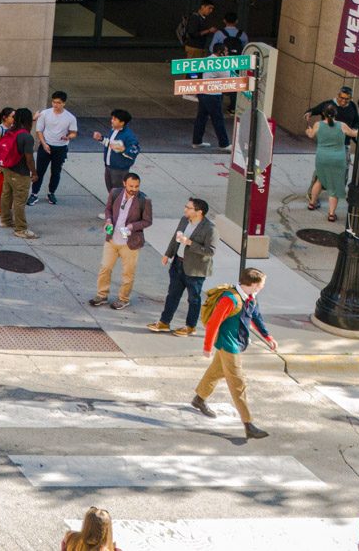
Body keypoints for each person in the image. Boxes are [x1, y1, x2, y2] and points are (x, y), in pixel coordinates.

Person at [192, 268, 275, 439]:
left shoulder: (251, 298)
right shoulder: (230, 299)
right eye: (261, 284)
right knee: (238, 383)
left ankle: (199, 398)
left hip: (236, 343)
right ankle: (248, 424)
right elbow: (214, 323)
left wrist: (268, 337)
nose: (263, 286)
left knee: (217, 371)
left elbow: (256, 317)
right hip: (228, 346)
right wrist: (207, 346)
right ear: (252, 285)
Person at [149, 197, 216, 335]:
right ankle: (164, 322)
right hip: (178, 263)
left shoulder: (210, 229)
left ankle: (190, 326)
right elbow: (176, 238)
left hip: (195, 269)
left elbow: (210, 251)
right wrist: (168, 254)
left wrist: (190, 243)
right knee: (172, 295)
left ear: (199, 212)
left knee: (193, 299)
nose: (185, 209)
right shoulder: (184, 220)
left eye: (188, 208)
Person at [89, 172, 151, 310]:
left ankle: (123, 299)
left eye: (136, 186)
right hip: (112, 239)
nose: (133, 189)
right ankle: (102, 295)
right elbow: (108, 209)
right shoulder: (115, 193)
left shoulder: (144, 200)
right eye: (131, 186)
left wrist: (132, 226)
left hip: (130, 243)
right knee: (105, 268)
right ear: (124, 184)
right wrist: (109, 221)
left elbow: (147, 221)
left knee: (128, 273)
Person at [0, 110, 40, 240]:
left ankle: (5, 220)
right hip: (20, 173)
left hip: (7, 169)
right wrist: (34, 173)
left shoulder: (10, 131)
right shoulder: (26, 137)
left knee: (6, 194)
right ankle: (20, 229)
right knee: (20, 201)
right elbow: (29, 159)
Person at [32, 91, 78, 206]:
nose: (55, 105)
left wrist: (67, 137)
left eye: (58, 103)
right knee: (39, 171)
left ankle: (51, 193)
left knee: (56, 172)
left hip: (61, 148)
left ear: (64, 103)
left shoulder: (70, 117)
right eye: (54, 102)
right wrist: (44, 144)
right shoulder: (45, 114)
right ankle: (34, 194)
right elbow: (39, 131)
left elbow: (74, 133)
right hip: (46, 146)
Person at [306, 104, 349, 221]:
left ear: (323, 114)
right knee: (334, 185)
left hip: (322, 157)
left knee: (319, 179)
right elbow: (354, 134)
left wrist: (308, 130)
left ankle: (312, 203)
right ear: (336, 114)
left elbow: (310, 135)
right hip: (338, 159)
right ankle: (331, 214)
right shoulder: (342, 126)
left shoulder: (318, 125)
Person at [97, 109, 138, 193]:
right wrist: (101, 139)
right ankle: (113, 204)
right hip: (109, 166)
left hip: (119, 170)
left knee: (118, 191)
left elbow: (135, 151)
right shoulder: (113, 130)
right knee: (111, 190)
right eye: (112, 118)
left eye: (114, 119)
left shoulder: (129, 136)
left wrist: (124, 150)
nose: (111, 121)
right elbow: (111, 144)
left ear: (122, 122)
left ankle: (118, 205)